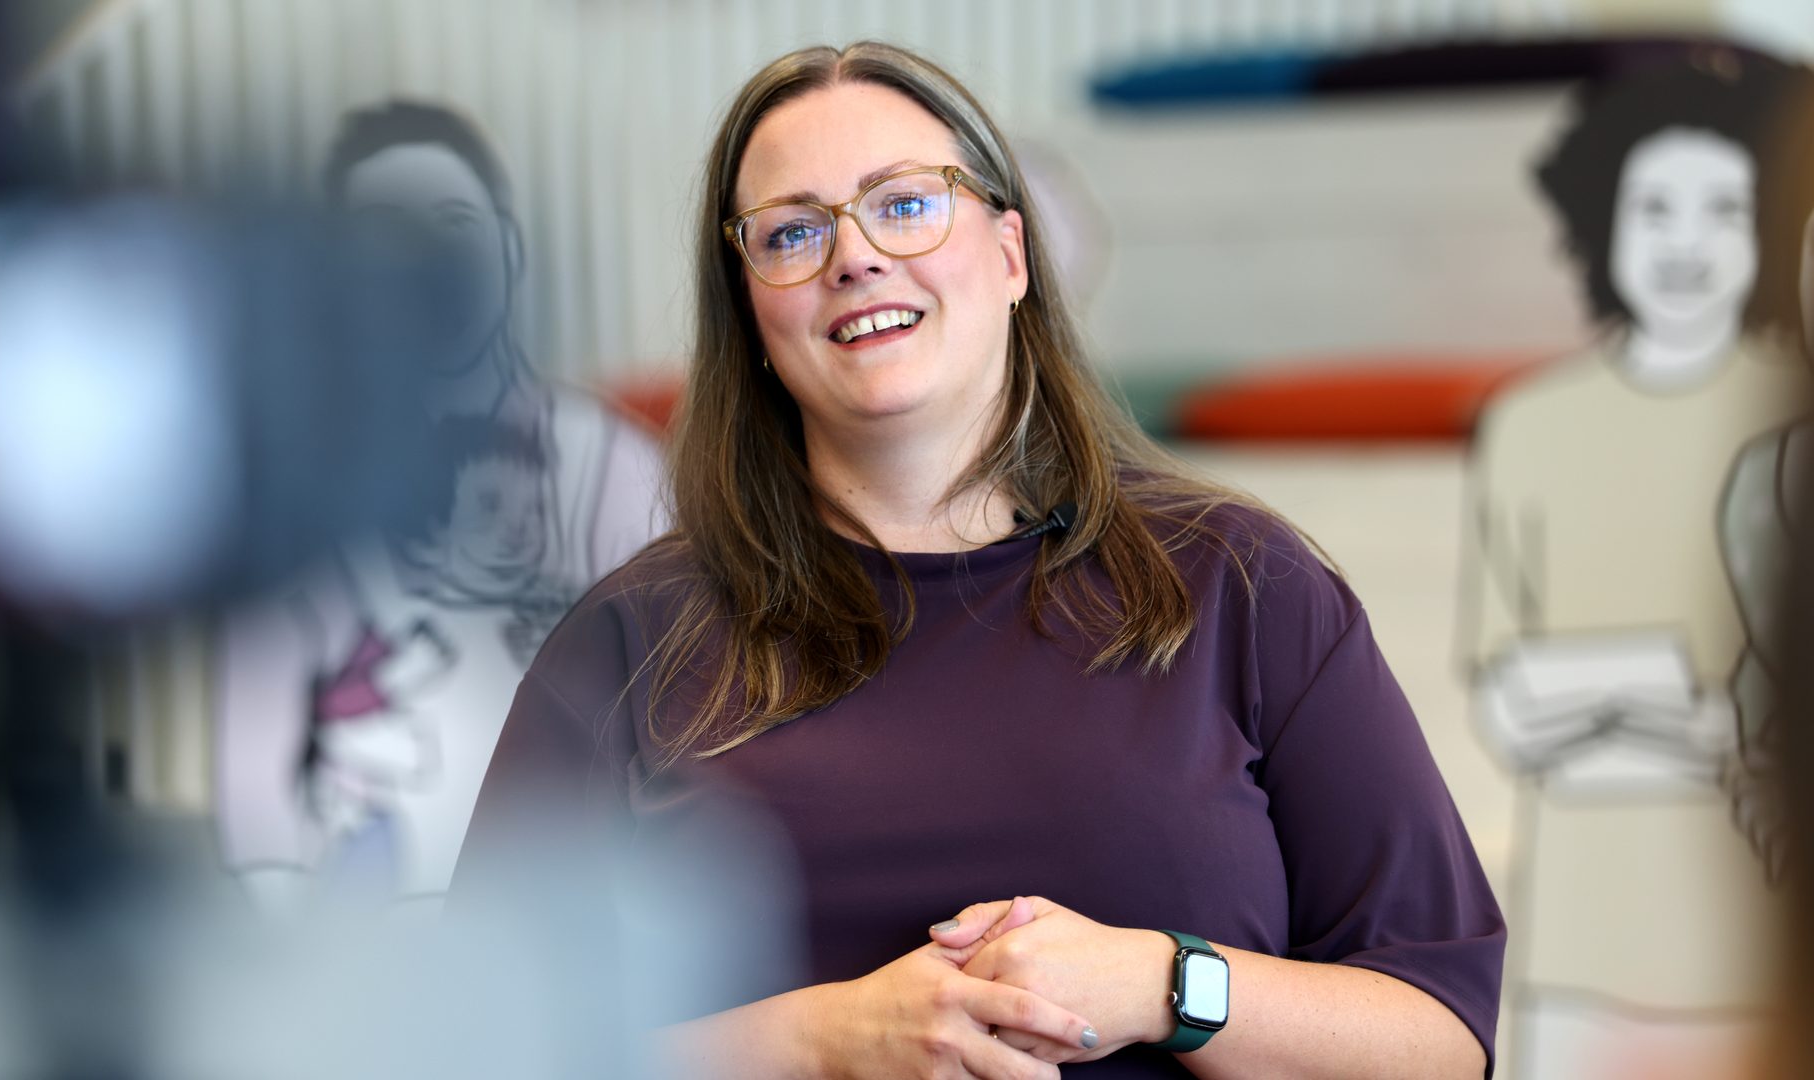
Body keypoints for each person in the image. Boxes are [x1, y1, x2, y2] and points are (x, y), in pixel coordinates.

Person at [455, 42, 1501, 1079]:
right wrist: (819, 1043)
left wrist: (1163, 986)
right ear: (751, 311)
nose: (854, 256)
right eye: (792, 232)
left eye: (904, 204)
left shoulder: (1241, 586)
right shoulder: (633, 639)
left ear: (1011, 256)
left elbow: (1443, 1034)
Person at [216, 101, 664, 914]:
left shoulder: (606, 464)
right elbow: (257, 753)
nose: (412, 275)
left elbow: (686, 694)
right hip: (358, 925)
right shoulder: (294, 487)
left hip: (564, 900)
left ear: (508, 249)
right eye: (377, 237)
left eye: (448, 227)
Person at [1457, 53, 1806, 1077]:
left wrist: (1604, 702)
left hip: (1764, 937)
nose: (1686, 244)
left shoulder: (1795, 415)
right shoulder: (1528, 426)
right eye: (1657, 208)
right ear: (1606, 217)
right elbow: (1508, 705)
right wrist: (1693, 704)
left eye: (1723, 210)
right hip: (1577, 938)